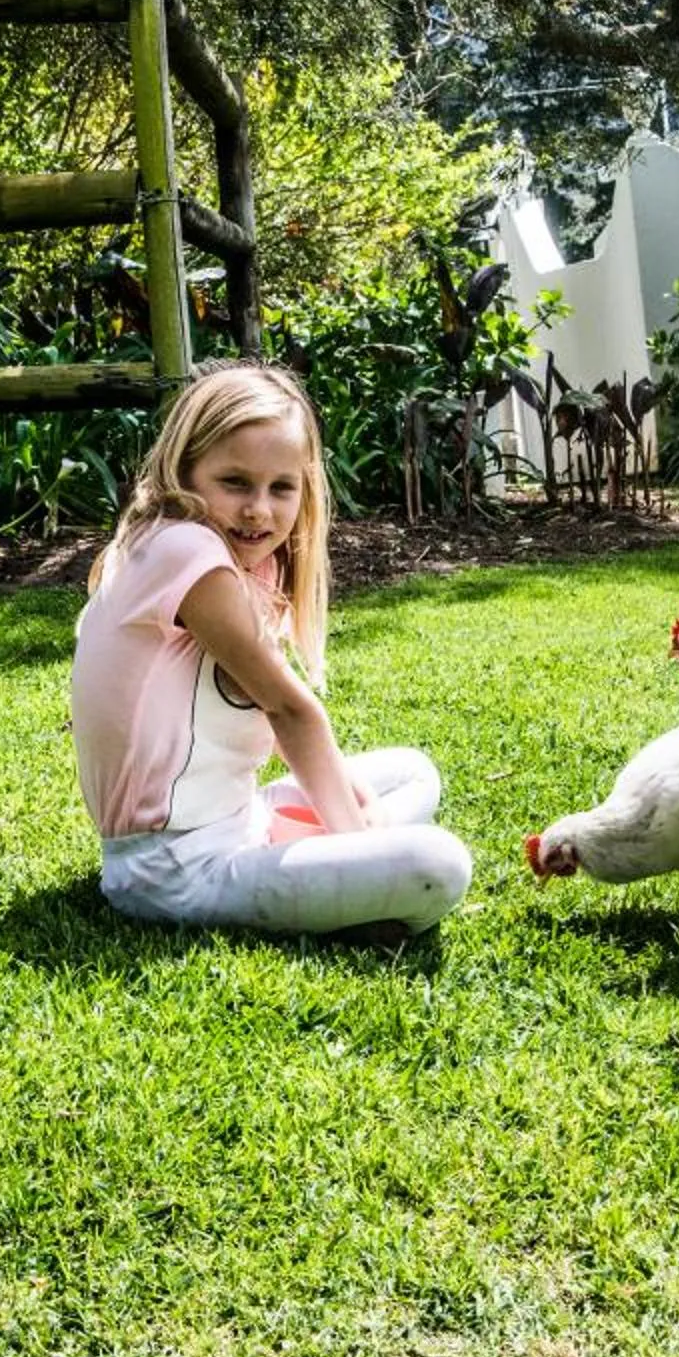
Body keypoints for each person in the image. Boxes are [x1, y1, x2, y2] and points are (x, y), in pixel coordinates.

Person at [71, 361, 473, 935]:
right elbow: (292, 712)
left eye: (280, 487)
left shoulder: (212, 557)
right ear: (184, 471)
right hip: (174, 866)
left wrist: (356, 824)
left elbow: (288, 728)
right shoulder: (185, 551)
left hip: (238, 820)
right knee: (440, 866)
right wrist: (357, 841)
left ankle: (346, 870)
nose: (259, 509)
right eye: (234, 483)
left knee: (414, 772)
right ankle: (356, 887)